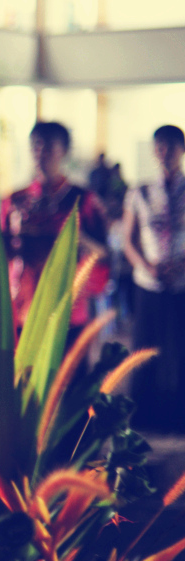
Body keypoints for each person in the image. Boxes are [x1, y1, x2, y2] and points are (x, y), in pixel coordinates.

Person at [1, 122, 109, 340]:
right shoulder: (15, 200)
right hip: (23, 304)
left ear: (64, 151)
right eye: (35, 146)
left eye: (48, 146)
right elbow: (0, 252)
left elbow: (104, 254)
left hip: (67, 305)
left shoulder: (82, 199)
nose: (40, 153)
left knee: (70, 372)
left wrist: (75, 237)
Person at [122, 124, 185, 432]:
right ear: (153, 150)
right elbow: (128, 240)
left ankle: (178, 416)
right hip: (148, 281)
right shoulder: (140, 191)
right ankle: (144, 416)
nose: (165, 153)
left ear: (182, 151)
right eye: (160, 146)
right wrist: (146, 266)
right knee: (145, 346)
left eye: (172, 147)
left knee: (180, 347)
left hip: (183, 281)